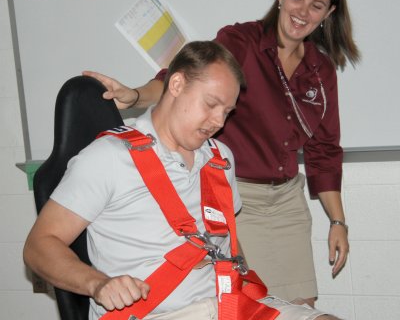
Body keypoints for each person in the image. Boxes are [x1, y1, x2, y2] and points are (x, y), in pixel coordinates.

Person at [83, 0, 360, 307]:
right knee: (256, 305)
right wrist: (136, 95)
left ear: (328, 13)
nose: (303, 11)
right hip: (239, 199)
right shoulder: (242, 41)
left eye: (316, 5)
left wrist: (338, 221)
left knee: (302, 307)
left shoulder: (321, 70)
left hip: (288, 200)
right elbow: (185, 78)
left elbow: (324, 150)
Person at [23, 41, 340, 320]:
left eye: (227, 112)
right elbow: (38, 246)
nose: (218, 122)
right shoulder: (108, 158)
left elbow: (227, 243)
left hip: (227, 305)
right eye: (211, 104)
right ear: (175, 85)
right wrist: (99, 284)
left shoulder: (220, 159)